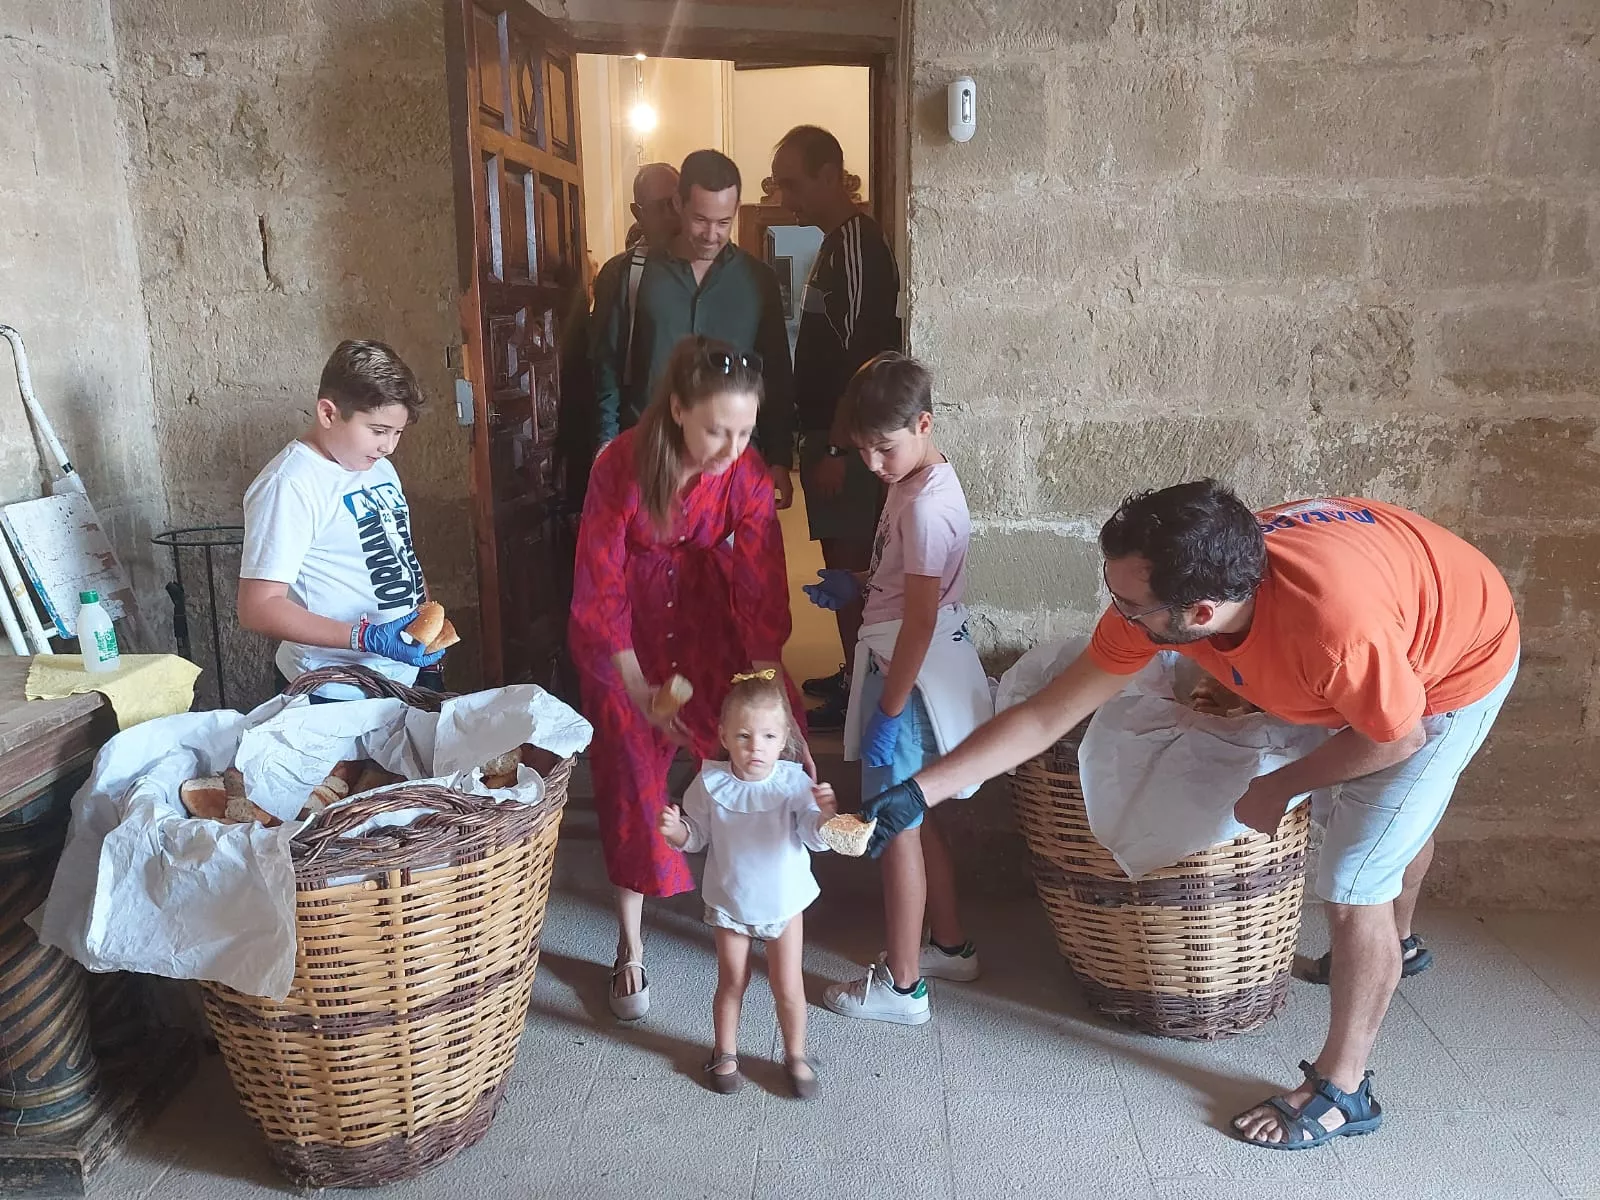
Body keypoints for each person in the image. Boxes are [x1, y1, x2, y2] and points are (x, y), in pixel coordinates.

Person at [859, 480, 1520, 1148]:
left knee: (1353, 882)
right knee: (1392, 824)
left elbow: (1395, 738)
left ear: (1200, 613)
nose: (1117, 614)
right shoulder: (1197, 583)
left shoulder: (1331, 637)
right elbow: (1047, 713)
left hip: (1460, 661)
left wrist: (1279, 787)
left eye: (1131, 604)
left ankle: (1343, 1091)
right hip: (1399, 606)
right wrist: (920, 792)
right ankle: (1395, 946)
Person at [569, 334, 810, 1022]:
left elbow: (763, 582)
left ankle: (751, 899)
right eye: (716, 429)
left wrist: (770, 685)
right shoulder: (620, 465)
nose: (731, 447)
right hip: (628, 631)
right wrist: (636, 682)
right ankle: (631, 943)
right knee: (629, 775)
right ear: (677, 409)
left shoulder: (747, 473)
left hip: (705, 612)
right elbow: (601, 585)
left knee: (736, 750)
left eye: (745, 430)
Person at [806, 354, 993, 1026]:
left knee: (893, 821)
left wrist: (888, 712)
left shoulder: (926, 507)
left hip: (905, 675)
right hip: (906, 659)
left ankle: (904, 988)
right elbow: (909, 580)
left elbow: (917, 621)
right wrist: (860, 581)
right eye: (862, 451)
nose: (874, 465)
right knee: (920, 814)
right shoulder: (915, 480)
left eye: (884, 448)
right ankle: (948, 944)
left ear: (924, 422)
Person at [771, 124, 902, 730]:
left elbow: (866, 361)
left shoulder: (856, 244)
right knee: (840, 568)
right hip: (830, 440)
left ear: (831, 175)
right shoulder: (831, 243)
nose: (787, 197)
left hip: (842, 449)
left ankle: (861, 697)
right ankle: (854, 678)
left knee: (852, 573)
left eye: (795, 183)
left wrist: (835, 445)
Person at [657, 671, 834, 1098]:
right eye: (743, 736)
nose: (757, 748)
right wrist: (677, 832)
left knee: (788, 985)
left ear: (785, 736)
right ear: (722, 735)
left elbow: (814, 836)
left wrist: (826, 815)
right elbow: (698, 836)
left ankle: (795, 1054)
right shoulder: (710, 783)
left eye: (769, 737)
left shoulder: (794, 782)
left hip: (784, 903)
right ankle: (726, 1052)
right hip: (730, 902)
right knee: (732, 981)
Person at [238, 339, 446, 702]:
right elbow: (257, 607)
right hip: (333, 687)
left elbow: (399, 550)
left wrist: (423, 623)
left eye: (398, 433)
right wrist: (362, 637)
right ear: (329, 413)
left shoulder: (379, 467)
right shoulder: (289, 484)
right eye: (379, 431)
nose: (389, 446)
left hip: (402, 675)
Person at [591, 149, 796, 507]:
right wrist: (606, 444)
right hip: (649, 457)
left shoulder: (757, 281)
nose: (711, 234)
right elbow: (607, 366)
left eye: (723, 222)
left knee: (728, 563)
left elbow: (775, 371)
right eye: (701, 219)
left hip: (731, 464)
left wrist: (779, 456)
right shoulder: (632, 276)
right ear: (678, 203)